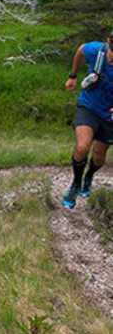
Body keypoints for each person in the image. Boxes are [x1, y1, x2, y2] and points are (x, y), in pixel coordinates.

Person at [63, 34, 113, 208]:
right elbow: (80, 50)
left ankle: (89, 176)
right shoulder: (95, 50)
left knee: (99, 157)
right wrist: (73, 75)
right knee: (82, 146)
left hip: (110, 116)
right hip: (89, 106)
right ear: (108, 43)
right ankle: (75, 184)